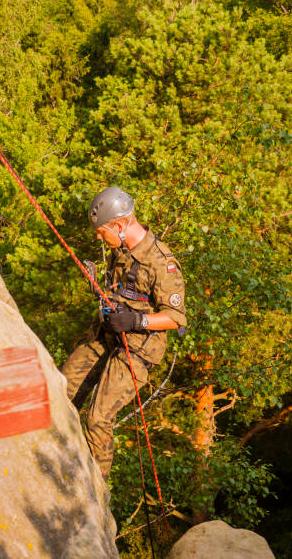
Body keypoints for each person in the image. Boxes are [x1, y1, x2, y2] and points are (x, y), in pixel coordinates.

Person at [62, 187, 186, 479]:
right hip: (107, 334)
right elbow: (121, 291)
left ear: (119, 225)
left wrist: (135, 321)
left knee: (97, 419)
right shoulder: (120, 250)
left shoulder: (161, 263)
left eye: (101, 231)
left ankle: (95, 492)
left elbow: (175, 318)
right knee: (62, 391)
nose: (97, 237)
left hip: (139, 349)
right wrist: (99, 289)